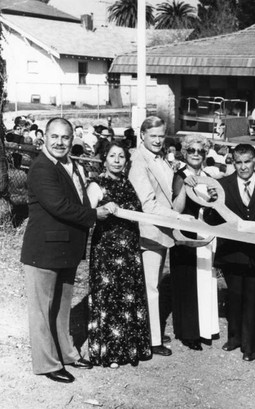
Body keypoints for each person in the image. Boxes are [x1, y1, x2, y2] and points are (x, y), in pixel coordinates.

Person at [20, 118, 116, 383]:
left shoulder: (72, 164)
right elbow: (59, 205)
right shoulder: (41, 168)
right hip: (44, 250)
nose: (60, 143)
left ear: (72, 139)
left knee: (62, 309)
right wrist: (95, 214)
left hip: (67, 249)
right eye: (55, 137)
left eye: (65, 137)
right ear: (44, 138)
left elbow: (80, 197)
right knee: (42, 310)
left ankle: (67, 353)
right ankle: (47, 364)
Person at [205, 143, 255, 361]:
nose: (243, 167)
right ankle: (234, 337)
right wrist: (211, 203)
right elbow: (211, 220)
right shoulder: (222, 184)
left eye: (248, 161)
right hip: (231, 252)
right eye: (239, 162)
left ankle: (249, 345)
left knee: (252, 298)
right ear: (232, 162)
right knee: (234, 297)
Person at [86, 141, 152, 368]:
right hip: (107, 251)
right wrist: (102, 211)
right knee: (111, 299)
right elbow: (86, 215)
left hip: (130, 251)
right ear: (104, 159)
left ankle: (131, 350)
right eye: (112, 156)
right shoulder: (97, 184)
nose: (116, 160)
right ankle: (112, 354)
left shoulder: (128, 183)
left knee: (129, 298)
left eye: (121, 156)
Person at [128, 116, 185, 357]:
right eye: (153, 136)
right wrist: (179, 218)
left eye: (161, 136)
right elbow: (148, 205)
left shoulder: (157, 158)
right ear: (142, 135)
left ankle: (152, 331)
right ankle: (151, 340)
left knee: (153, 284)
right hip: (148, 231)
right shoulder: (138, 161)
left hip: (160, 231)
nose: (158, 140)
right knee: (151, 287)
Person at [170, 134, 219, 350]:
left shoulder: (208, 176)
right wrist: (185, 188)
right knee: (188, 283)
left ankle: (205, 328)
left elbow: (216, 209)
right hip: (187, 236)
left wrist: (214, 196)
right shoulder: (180, 176)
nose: (196, 155)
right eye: (192, 151)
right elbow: (176, 210)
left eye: (200, 151)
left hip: (205, 236)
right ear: (185, 153)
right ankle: (189, 333)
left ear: (205, 154)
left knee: (205, 280)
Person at [8, 153, 29, 227]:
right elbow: (28, 187)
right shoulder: (23, 174)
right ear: (20, 163)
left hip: (12, 200)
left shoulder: (8, 174)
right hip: (24, 201)